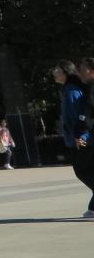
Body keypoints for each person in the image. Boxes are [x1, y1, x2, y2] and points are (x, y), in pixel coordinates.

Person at [51, 60, 94, 217]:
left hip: (80, 138)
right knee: (88, 170)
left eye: (57, 70)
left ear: (66, 72)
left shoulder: (72, 91)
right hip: (80, 137)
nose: (54, 72)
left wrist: (79, 134)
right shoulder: (69, 89)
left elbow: (79, 116)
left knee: (82, 171)